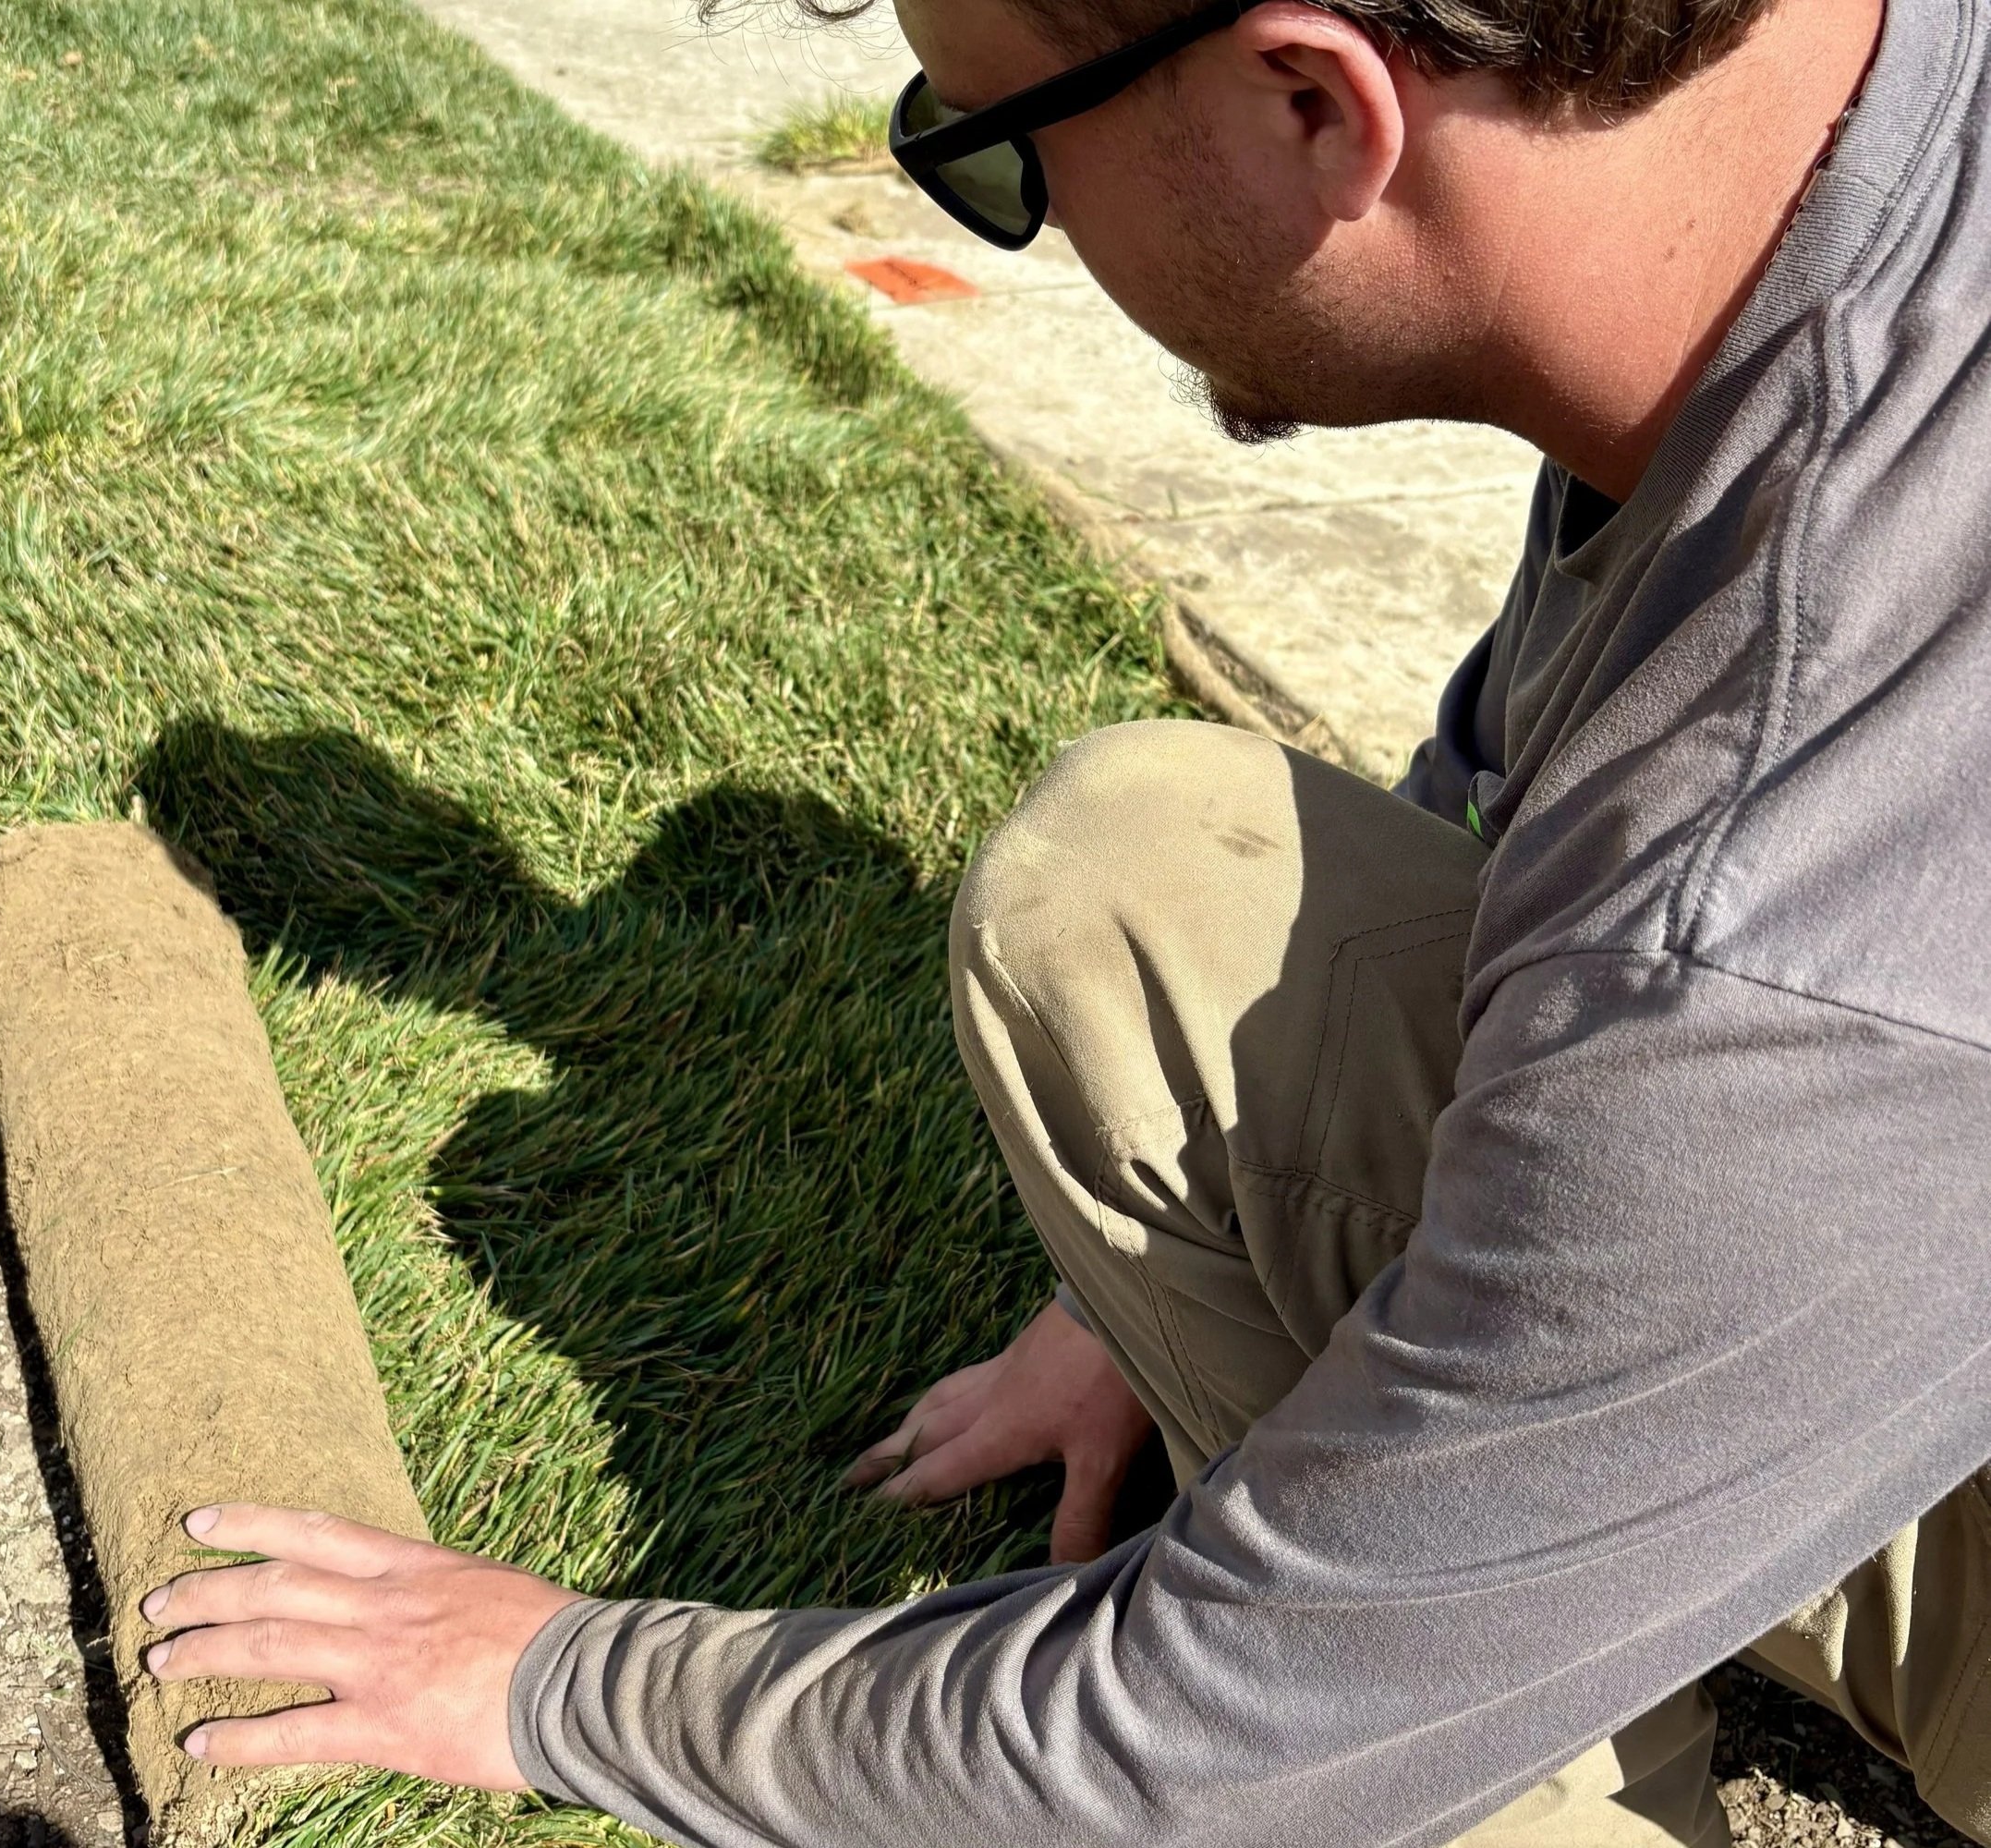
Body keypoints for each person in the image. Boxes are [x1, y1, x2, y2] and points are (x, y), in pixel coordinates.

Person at [130, 0, 1991, 1842]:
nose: (1025, 218)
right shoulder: (1820, 166)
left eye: (994, 151)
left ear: (1312, 103)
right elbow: (1512, 749)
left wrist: (555, 1683)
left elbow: (1198, 1742)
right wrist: (1167, 1266)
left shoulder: (1779, 924)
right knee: (1138, 876)